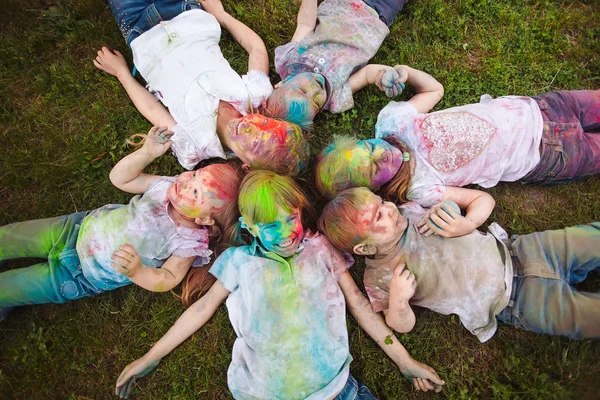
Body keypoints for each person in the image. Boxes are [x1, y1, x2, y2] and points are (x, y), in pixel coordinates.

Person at [114, 171, 445, 399]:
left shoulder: (321, 250)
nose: (287, 231)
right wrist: (150, 356)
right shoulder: (239, 262)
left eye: (291, 218)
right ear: (250, 227)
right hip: (263, 392)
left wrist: (405, 362)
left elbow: (359, 305)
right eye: (272, 225)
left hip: (338, 390)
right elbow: (202, 309)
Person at [315, 64, 600, 236]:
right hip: (546, 155)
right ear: (373, 189)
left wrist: (408, 73)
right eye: (373, 167)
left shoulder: (392, 123)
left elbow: (433, 91)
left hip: (541, 108)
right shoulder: (418, 187)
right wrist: (466, 224)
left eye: (367, 146)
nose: (380, 153)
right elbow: (480, 199)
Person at [0, 126, 242, 319]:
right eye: (196, 174)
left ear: (203, 219)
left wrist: (138, 272)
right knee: (9, 237)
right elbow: (120, 179)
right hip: (73, 230)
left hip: (79, 275)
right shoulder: (166, 187)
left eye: (196, 193)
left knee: (9, 288)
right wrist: (147, 152)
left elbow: (168, 278)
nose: (186, 182)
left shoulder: (188, 242)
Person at [319, 187, 600, 342]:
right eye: (379, 216)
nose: (390, 208)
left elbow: (470, 203)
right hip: (514, 301)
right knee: (589, 317)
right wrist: (399, 301)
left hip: (523, 250)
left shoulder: (411, 210)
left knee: (591, 240)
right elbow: (399, 326)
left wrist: (455, 215)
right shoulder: (379, 277)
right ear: (365, 248)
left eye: (382, 201)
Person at [95, 0, 308, 175]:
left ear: (247, 166)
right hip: (185, 12)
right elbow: (256, 49)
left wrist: (121, 73)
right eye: (264, 124)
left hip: (141, 33)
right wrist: (221, 15)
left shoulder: (193, 146)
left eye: (253, 144)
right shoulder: (255, 95)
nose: (250, 127)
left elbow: (152, 110)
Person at [266, 0, 410, 129]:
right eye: (316, 102)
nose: (316, 90)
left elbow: (305, 25)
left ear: (283, 82)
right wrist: (383, 74)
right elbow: (366, 75)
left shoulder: (288, 61)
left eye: (303, 91)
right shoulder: (335, 98)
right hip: (376, 13)